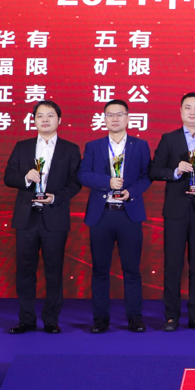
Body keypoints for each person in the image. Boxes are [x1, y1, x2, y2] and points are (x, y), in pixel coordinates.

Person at [2, 100, 81, 334]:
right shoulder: (22, 146)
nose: (45, 120)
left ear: (59, 120)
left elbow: (75, 183)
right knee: (25, 271)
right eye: (40, 116)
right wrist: (26, 178)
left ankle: (50, 319)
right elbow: (8, 176)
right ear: (34, 120)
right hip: (27, 218)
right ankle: (26, 319)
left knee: (54, 271)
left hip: (54, 217)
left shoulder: (70, 149)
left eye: (50, 115)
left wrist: (55, 197)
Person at [150, 93, 195, 332]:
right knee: (173, 264)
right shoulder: (169, 139)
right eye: (188, 108)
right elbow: (154, 170)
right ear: (181, 111)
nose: (192, 112)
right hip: (176, 210)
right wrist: (175, 170)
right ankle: (171, 316)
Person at [79, 100, 152, 333]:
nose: (115, 118)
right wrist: (107, 182)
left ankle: (135, 318)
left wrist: (131, 192)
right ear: (104, 119)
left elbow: (147, 176)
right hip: (102, 215)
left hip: (129, 214)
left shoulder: (140, 145)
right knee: (100, 270)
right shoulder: (94, 146)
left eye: (120, 114)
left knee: (132, 270)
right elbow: (83, 175)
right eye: (110, 115)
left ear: (128, 118)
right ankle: (101, 319)